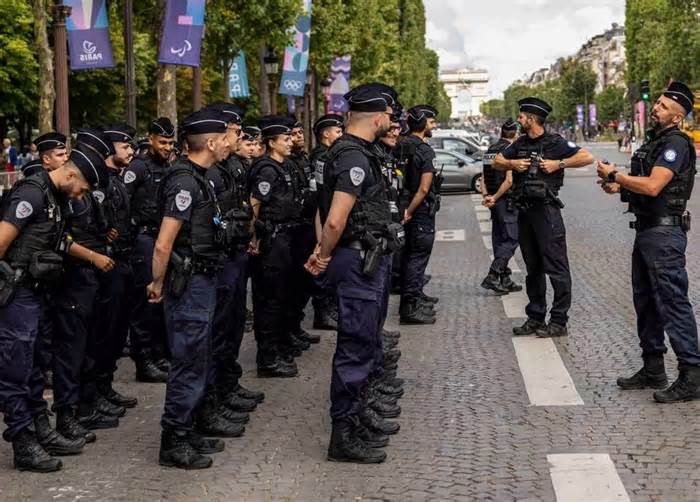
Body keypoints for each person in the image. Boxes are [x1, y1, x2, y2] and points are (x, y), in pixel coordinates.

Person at [306, 84, 402, 464]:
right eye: (390, 118)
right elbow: (334, 217)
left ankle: (358, 417)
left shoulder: (353, 153)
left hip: (364, 257)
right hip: (356, 260)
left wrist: (323, 249)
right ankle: (343, 434)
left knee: (363, 342)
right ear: (377, 117)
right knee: (355, 347)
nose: (392, 123)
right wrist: (323, 253)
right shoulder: (353, 159)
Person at [597, 82, 700, 403]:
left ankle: (693, 373)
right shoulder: (656, 141)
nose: (655, 108)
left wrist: (616, 176)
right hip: (647, 230)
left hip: (664, 235)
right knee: (646, 301)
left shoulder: (677, 144)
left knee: (672, 301)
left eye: (664, 107)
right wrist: (622, 189)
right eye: (656, 103)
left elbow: (655, 186)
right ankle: (653, 367)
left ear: (677, 116)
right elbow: (644, 186)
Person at [0, 147, 101, 472]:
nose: (82, 194)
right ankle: (22, 440)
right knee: (15, 368)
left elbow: (56, 241)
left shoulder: (56, 198)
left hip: (38, 293)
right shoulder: (32, 192)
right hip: (17, 293)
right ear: (71, 174)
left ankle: (40, 428)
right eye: (83, 187)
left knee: (33, 368)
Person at [147, 109, 233, 470]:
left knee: (200, 358)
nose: (230, 143)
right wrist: (157, 282)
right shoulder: (184, 182)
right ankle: (174, 439)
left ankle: (190, 427)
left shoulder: (199, 177)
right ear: (210, 143)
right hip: (189, 282)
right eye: (225, 138)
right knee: (188, 361)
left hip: (202, 278)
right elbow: (164, 243)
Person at [493, 97, 593, 338]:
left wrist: (558, 164)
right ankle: (535, 316)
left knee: (557, 268)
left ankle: (559, 321)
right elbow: (496, 161)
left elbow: (586, 157)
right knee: (533, 268)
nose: (518, 119)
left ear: (532, 118)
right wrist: (512, 163)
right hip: (525, 212)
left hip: (547, 212)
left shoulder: (555, 142)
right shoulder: (519, 143)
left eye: (522, 116)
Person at [51, 130, 122, 435]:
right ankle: (68, 414)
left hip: (86, 279)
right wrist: (93, 256)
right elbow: (62, 239)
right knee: (70, 352)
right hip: (71, 280)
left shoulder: (77, 194)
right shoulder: (52, 192)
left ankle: (85, 404)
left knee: (88, 346)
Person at [202, 102, 264, 421]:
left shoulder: (232, 166)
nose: (239, 137)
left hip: (236, 253)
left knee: (235, 324)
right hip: (221, 259)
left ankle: (228, 384)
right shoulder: (210, 172)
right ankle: (214, 396)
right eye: (236, 131)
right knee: (220, 329)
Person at [87, 124, 139, 410]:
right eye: (125, 146)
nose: (130, 151)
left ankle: (105, 386)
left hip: (123, 259)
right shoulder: (101, 182)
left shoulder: (116, 179)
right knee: (104, 330)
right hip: (107, 263)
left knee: (118, 330)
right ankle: (94, 392)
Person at [248, 115, 303, 378]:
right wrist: (253, 238)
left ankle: (279, 346)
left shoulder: (286, 166)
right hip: (272, 240)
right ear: (271, 143)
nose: (290, 142)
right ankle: (267, 358)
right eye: (285, 139)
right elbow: (254, 205)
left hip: (286, 237)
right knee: (269, 300)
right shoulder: (267, 169)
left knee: (283, 296)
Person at [123, 117, 176, 383]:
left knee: (162, 302)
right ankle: (144, 360)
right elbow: (122, 200)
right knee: (145, 303)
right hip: (143, 239)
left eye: (170, 142)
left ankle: (160, 354)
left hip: (162, 239)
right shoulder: (139, 167)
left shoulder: (170, 167)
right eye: (162, 142)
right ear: (151, 138)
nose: (166, 147)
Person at [398, 105, 440, 325]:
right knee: (418, 255)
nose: (434, 126)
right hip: (419, 209)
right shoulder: (424, 150)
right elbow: (424, 188)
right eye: (432, 122)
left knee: (408, 255)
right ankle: (410, 307)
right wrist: (411, 210)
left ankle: (414, 297)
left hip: (402, 204)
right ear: (423, 124)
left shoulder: (400, 145)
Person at [309, 114, 344, 331]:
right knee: (323, 267)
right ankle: (323, 312)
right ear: (325, 133)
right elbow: (320, 193)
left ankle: (329, 309)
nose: (341, 136)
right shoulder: (322, 156)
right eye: (337, 132)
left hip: (325, 212)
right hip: (322, 214)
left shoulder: (329, 153)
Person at [480, 119, 522, 294]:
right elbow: (509, 180)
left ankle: (505, 278)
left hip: (494, 202)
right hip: (505, 201)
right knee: (511, 239)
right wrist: (496, 197)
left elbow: (483, 176)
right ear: (516, 134)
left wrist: (487, 196)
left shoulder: (490, 150)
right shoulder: (509, 151)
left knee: (499, 239)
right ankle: (493, 274)